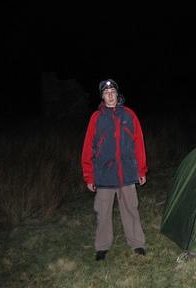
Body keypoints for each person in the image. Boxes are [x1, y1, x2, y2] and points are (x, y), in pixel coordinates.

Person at [81, 78, 148, 261]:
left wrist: (141, 170)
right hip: (104, 174)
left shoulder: (129, 115)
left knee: (131, 210)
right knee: (103, 212)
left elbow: (139, 144)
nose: (110, 96)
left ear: (117, 95)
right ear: (103, 97)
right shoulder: (96, 118)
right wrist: (89, 176)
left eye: (113, 93)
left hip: (127, 172)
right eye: (106, 93)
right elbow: (88, 147)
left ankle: (137, 244)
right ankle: (102, 247)